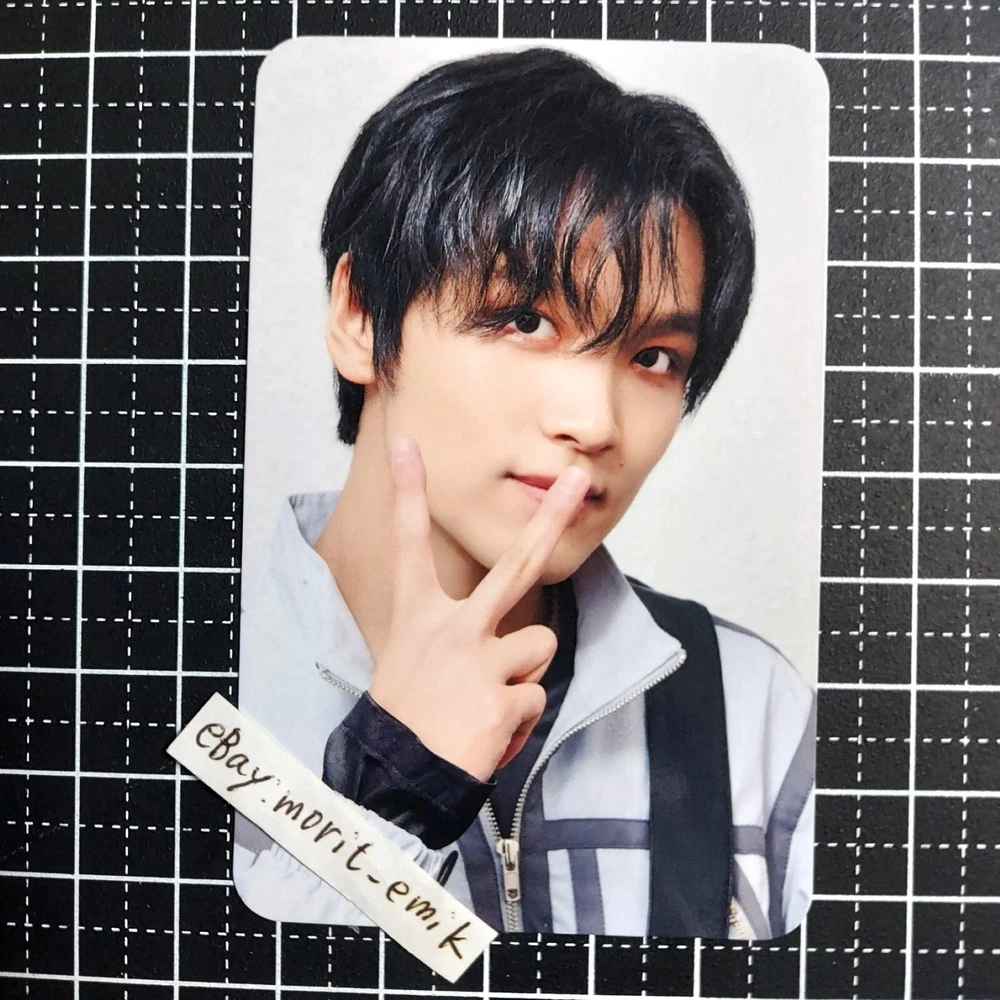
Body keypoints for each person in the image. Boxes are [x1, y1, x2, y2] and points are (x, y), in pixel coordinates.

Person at [234, 46, 815, 940]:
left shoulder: (750, 705)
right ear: (359, 316)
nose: (597, 422)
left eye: (653, 357)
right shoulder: (192, 667)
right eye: (526, 319)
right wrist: (399, 788)